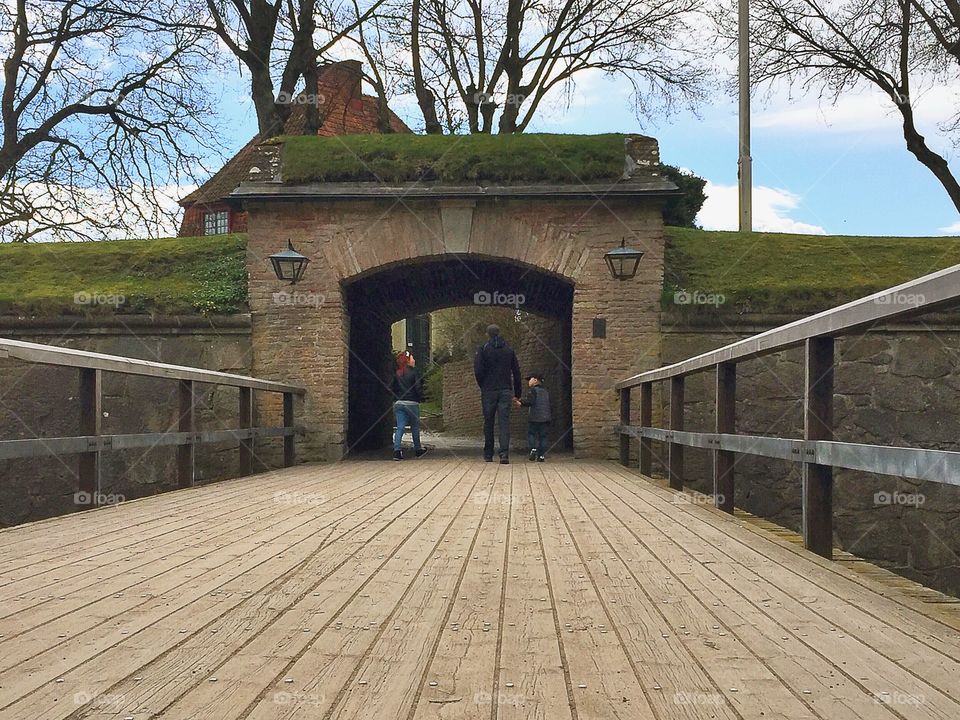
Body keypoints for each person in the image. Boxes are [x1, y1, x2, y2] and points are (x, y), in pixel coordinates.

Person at [474, 324, 522, 463]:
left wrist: (483, 385)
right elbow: (516, 373)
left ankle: (488, 453)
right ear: (499, 332)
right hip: (505, 389)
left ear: (487, 334)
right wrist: (517, 393)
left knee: (488, 422)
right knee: (504, 422)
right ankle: (504, 454)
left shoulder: (483, 349)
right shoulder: (509, 350)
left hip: (488, 390)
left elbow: (478, 371)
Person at [391, 351, 427, 461]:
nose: (414, 360)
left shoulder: (397, 373)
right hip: (412, 403)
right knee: (415, 427)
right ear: (408, 360)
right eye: (412, 358)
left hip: (399, 403)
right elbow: (418, 387)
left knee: (400, 427)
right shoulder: (414, 372)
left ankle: (397, 451)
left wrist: (396, 397)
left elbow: (390, 387)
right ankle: (417, 450)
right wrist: (421, 397)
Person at [515, 373, 552, 462]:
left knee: (532, 434)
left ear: (535, 380)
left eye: (530, 379)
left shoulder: (533, 390)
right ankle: (541, 455)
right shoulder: (546, 391)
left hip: (535, 417)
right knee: (543, 436)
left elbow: (531, 401)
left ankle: (533, 449)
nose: (528, 381)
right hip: (546, 418)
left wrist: (521, 403)